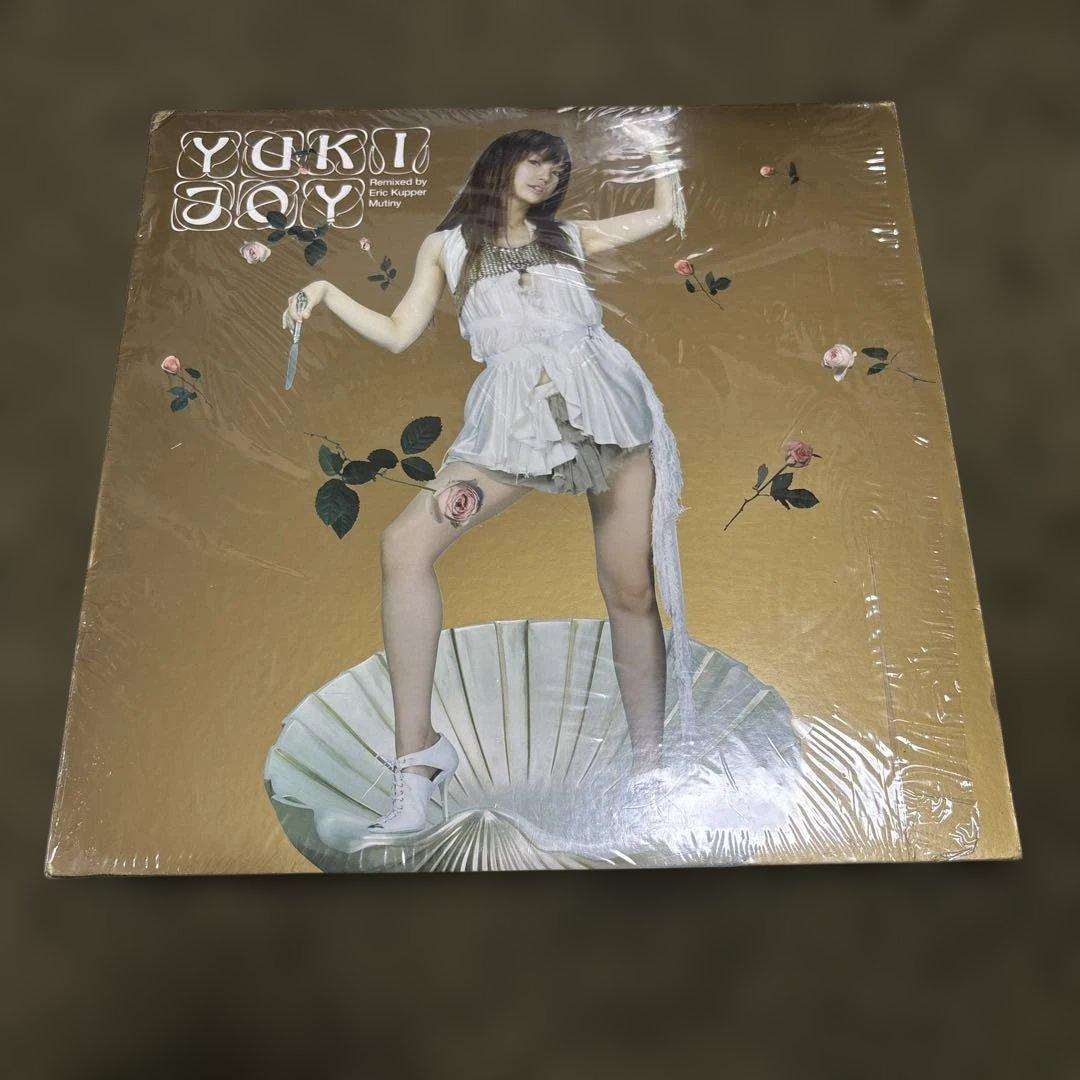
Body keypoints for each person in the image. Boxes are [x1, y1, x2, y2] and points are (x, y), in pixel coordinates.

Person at [282, 120, 696, 837]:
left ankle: (650, 773)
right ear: (500, 163)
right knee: (405, 546)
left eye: (556, 169)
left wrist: (660, 148)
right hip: (513, 424)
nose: (546, 176)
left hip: (610, 409)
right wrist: (325, 290)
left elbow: (662, 213)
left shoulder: (569, 236)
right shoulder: (445, 247)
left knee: (631, 589)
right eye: (534, 161)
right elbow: (399, 332)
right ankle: (418, 760)